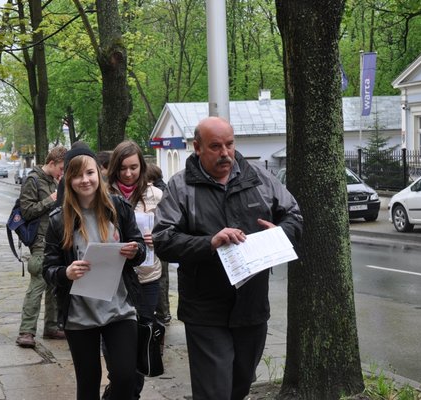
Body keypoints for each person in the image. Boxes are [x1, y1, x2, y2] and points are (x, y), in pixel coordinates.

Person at [152, 116, 303, 400]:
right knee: (214, 390)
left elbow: (293, 214)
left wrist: (281, 233)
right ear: (197, 148)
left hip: (252, 305)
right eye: (216, 146)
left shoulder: (258, 177)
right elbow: (163, 239)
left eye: (230, 145)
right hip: (205, 308)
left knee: (241, 382)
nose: (225, 153)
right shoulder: (180, 187)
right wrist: (209, 243)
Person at [43, 147, 146, 400]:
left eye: (90, 172)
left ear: (99, 174)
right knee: (87, 384)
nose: (85, 179)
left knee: (125, 377)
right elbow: (47, 269)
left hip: (119, 309)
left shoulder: (118, 208)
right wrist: (65, 272)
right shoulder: (58, 220)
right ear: (68, 179)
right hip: (79, 315)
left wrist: (136, 252)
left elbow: (140, 248)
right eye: (77, 175)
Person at [107, 141, 163, 398]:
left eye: (134, 168)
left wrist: (158, 238)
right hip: (114, 280)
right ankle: (118, 389)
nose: (128, 174)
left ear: (142, 167)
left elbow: (171, 231)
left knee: (141, 340)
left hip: (146, 277)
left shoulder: (156, 195)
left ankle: (131, 394)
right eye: (122, 168)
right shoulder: (103, 193)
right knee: (115, 345)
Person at [16, 146, 68, 348]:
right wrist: (50, 200)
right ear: (52, 162)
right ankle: (26, 331)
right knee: (38, 284)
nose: (62, 172)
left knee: (54, 284)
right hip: (39, 241)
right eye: (61, 168)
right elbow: (27, 211)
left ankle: (52, 326)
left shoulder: (54, 181)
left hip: (54, 240)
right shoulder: (33, 180)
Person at [145, 163, 170, 325]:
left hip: (157, 244)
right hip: (160, 244)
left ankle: (162, 313)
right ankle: (164, 313)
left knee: (160, 278)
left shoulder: (158, 195)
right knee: (163, 278)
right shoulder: (167, 189)